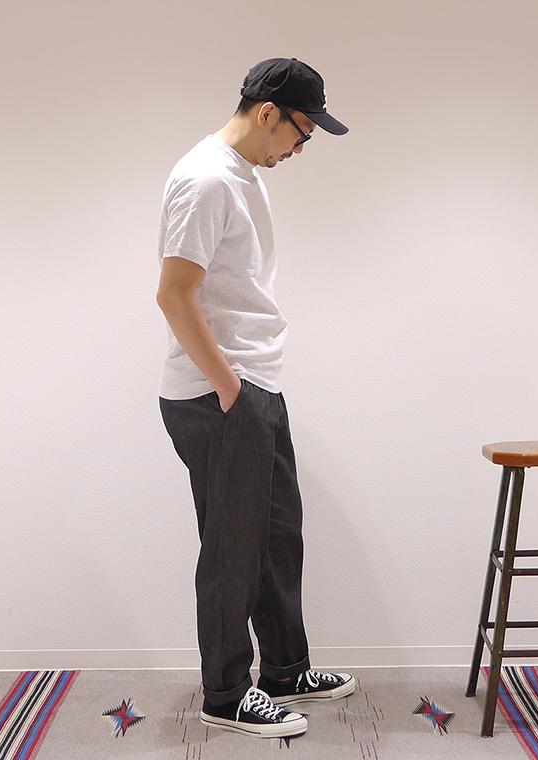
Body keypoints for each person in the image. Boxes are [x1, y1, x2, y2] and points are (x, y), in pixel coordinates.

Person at [156, 57, 354, 739]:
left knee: (276, 538)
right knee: (232, 552)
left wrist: (247, 386)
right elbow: (173, 293)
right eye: (302, 132)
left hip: (253, 385)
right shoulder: (206, 180)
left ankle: (285, 670)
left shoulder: (244, 176)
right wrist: (228, 386)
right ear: (269, 112)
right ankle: (225, 693)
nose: (301, 147)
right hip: (221, 395)